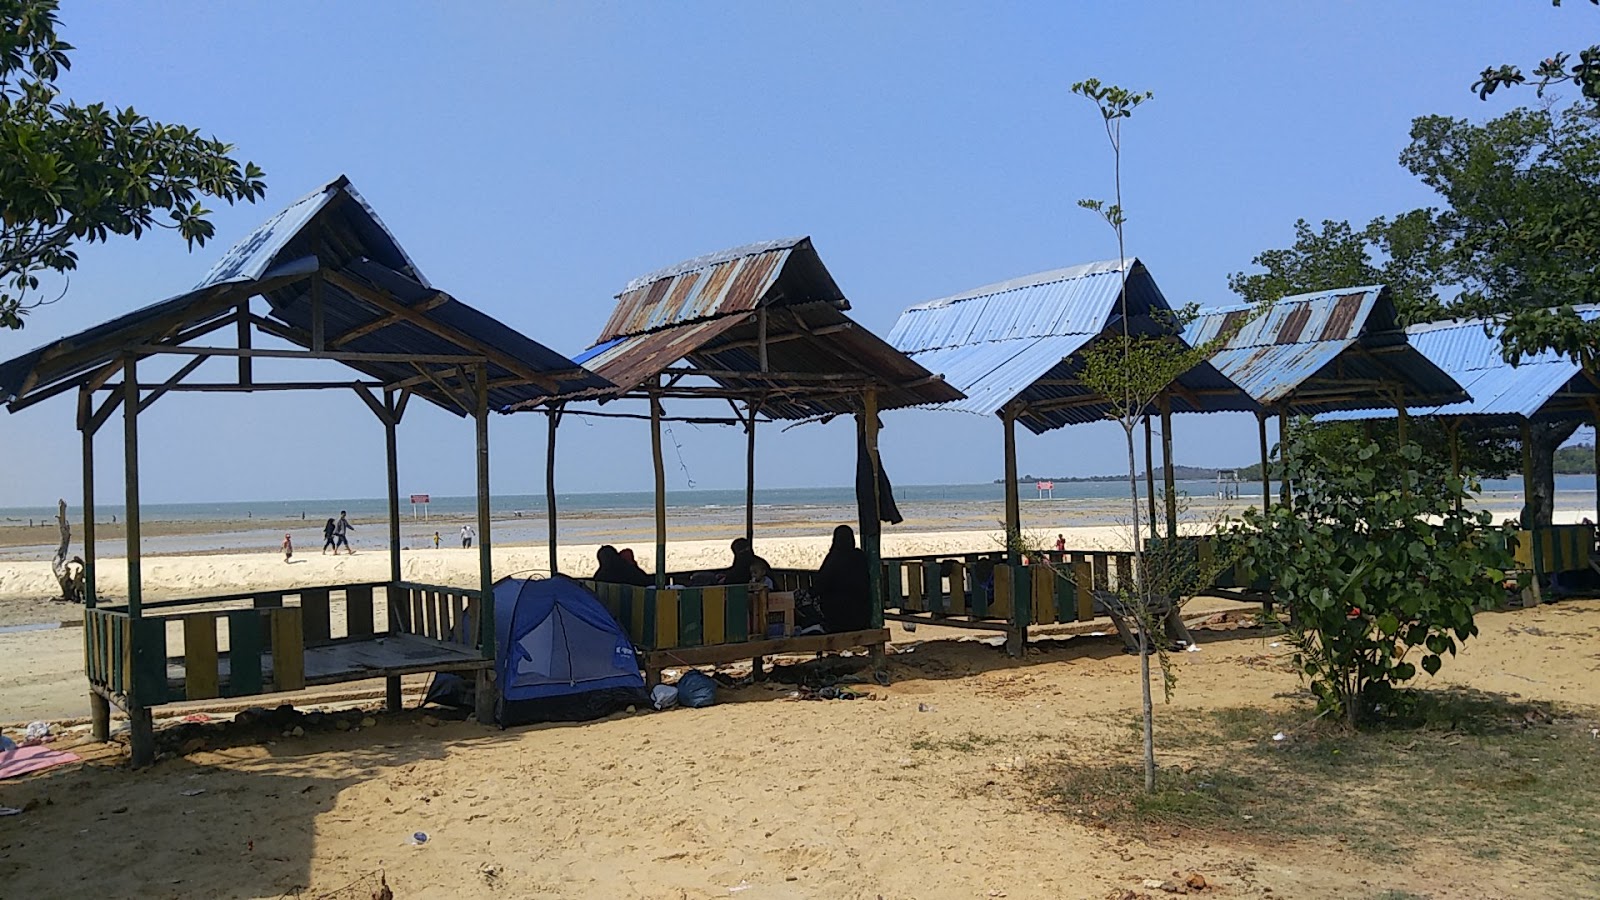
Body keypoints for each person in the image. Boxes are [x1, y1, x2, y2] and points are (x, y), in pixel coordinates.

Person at [812, 524, 872, 633]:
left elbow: (819, 585)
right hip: (861, 618)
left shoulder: (833, 558)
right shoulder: (859, 556)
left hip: (836, 620)